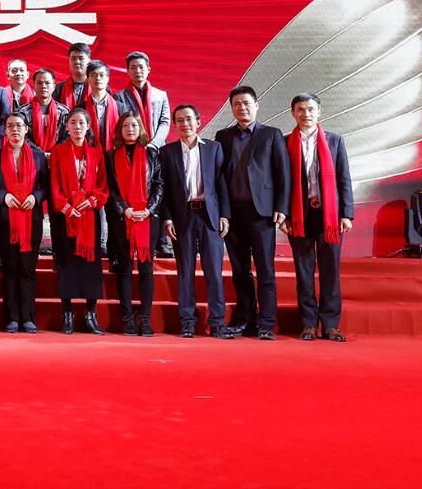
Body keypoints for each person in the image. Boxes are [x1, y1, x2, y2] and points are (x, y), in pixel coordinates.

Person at [215, 85, 291, 341]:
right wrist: (223, 212)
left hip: (262, 214)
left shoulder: (272, 134)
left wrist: (281, 207)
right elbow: (219, 178)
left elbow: (283, 174)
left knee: (265, 270)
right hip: (233, 214)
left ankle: (266, 323)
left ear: (256, 106)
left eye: (246, 103)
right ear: (231, 108)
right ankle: (244, 319)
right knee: (240, 271)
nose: (242, 108)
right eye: (237, 104)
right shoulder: (223, 136)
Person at [283, 93, 354, 342]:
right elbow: (281, 182)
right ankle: (309, 324)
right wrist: (283, 215)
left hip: (329, 216)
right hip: (299, 215)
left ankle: (331, 324)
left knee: (329, 271)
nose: (306, 114)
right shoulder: (284, 142)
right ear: (293, 113)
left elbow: (344, 178)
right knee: (304, 273)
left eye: (311, 109)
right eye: (300, 109)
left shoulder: (335, 141)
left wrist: (347, 213)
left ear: (319, 112)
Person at [160, 105, 233, 338]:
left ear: (198, 122)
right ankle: (187, 322)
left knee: (214, 272)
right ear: (174, 125)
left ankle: (218, 322)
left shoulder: (214, 148)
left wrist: (224, 215)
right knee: (185, 272)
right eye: (180, 120)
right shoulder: (167, 152)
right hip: (183, 217)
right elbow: (165, 190)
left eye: (189, 119)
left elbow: (221, 184)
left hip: (209, 215)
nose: (185, 124)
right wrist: (167, 218)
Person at [0, 113, 49, 333]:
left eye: (19, 126)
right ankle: (12, 318)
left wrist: (35, 197)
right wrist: (3, 196)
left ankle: (28, 318)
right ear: (5, 130)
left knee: (27, 269)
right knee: (10, 269)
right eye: (10, 126)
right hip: (5, 220)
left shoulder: (39, 157)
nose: (15, 130)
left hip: (31, 220)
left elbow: (46, 187)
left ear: (26, 129)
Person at [48, 108, 108, 335]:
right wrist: (66, 207)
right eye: (73, 122)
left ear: (88, 126)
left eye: (81, 123)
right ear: (66, 126)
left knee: (91, 267)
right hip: (66, 217)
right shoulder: (58, 151)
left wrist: (92, 201)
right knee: (66, 265)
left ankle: (91, 313)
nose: (77, 127)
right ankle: (67, 313)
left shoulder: (96, 152)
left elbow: (102, 184)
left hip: (89, 217)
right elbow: (54, 184)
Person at [106, 110, 163, 336]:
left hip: (147, 218)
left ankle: (145, 320)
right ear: (119, 130)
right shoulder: (111, 156)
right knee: (125, 268)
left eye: (134, 125)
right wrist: (125, 209)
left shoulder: (152, 154)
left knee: (146, 268)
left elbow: (159, 184)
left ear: (141, 129)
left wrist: (149, 209)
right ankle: (128, 318)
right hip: (124, 219)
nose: (130, 129)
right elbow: (110, 188)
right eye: (126, 126)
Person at [118, 50, 174, 259]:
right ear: (127, 71)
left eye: (141, 67)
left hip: (155, 151)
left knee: (159, 194)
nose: (137, 71)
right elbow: (122, 123)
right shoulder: (120, 96)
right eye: (133, 67)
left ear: (148, 69)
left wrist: (153, 145)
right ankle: (133, 238)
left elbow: (165, 122)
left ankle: (162, 241)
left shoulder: (161, 95)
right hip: (132, 152)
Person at [18, 68, 68, 150]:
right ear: (34, 85)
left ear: (54, 87)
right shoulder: (22, 112)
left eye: (47, 83)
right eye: (39, 83)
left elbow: (67, 136)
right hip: (31, 154)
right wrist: (39, 153)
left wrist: (54, 152)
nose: (43, 86)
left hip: (58, 154)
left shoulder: (64, 112)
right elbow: (21, 136)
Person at [82, 60, 126, 151]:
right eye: (93, 75)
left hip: (115, 154)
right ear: (88, 79)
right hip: (88, 154)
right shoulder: (81, 108)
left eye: (101, 75)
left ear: (108, 78)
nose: (98, 78)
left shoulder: (120, 107)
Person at [52, 41, 92, 108]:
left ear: (89, 61)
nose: (77, 62)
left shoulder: (98, 87)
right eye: (73, 58)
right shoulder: (59, 89)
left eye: (81, 58)